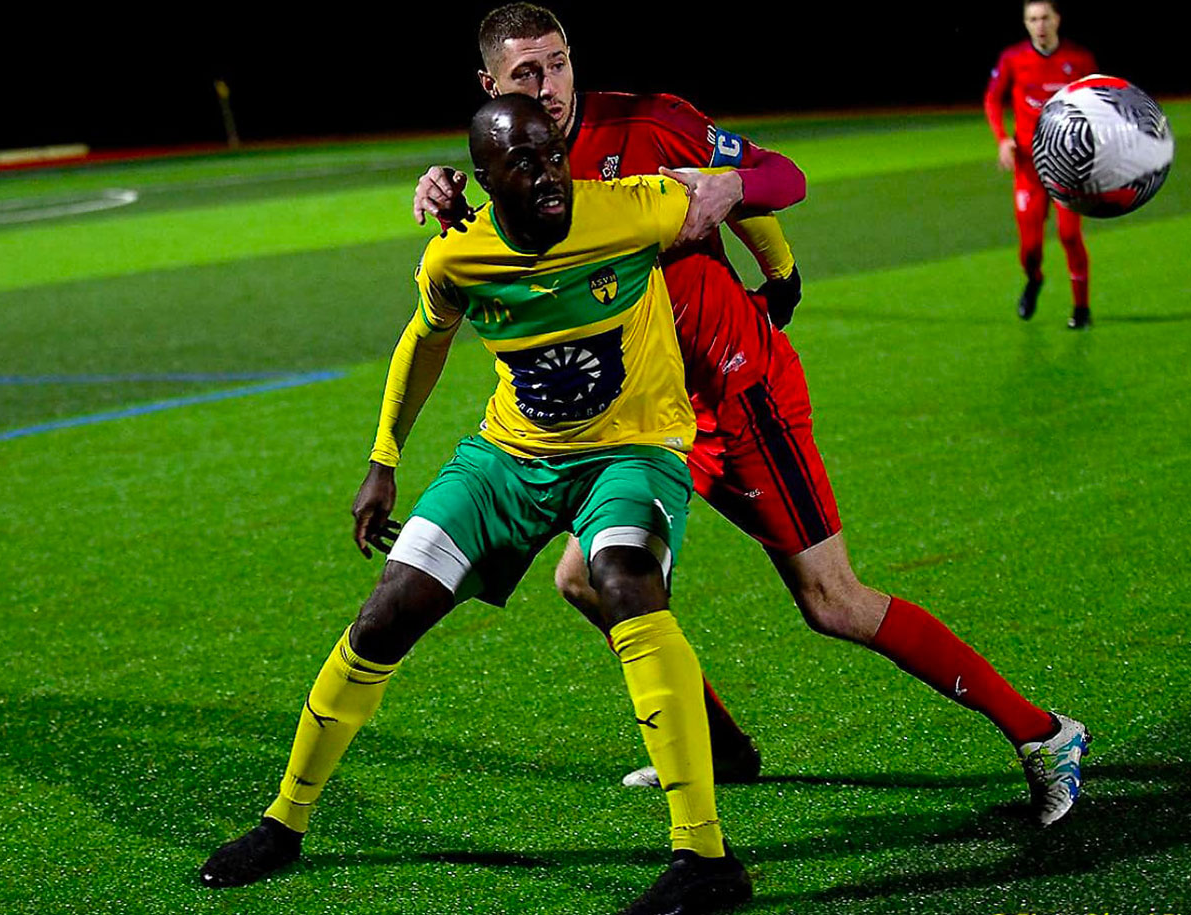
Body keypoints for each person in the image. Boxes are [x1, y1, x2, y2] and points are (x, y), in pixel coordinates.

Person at [415, 2, 1092, 826]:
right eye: (526, 74)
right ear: (490, 86)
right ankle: (723, 750)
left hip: (739, 395)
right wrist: (440, 187)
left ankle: (1043, 732)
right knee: (587, 579)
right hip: (652, 426)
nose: (548, 86)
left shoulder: (651, 123)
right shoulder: (516, 165)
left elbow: (783, 176)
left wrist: (735, 189)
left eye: (557, 63)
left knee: (832, 599)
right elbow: (493, 249)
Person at [200, 94, 754, 915]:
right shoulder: (459, 255)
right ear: (485, 180)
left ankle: (705, 855)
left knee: (625, 579)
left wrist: (777, 271)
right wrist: (383, 460)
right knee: (387, 609)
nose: (549, 175)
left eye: (552, 154)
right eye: (523, 163)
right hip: (510, 456)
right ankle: (284, 822)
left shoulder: (634, 207)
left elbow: (739, 190)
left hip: (631, 449)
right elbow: (422, 340)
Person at [985, 0, 1098, 328]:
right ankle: (1034, 279)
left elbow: (1099, 103)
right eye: (1032, 19)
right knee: (1030, 248)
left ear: (1057, 19)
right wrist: (1002, 138)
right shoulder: (1013, 58)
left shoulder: (1079, 59)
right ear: (1025, 23)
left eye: (1045, 17)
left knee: (1069, 236)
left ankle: (1081, 310)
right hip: (1029, 168)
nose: (1040, 25)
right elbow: (993, 98)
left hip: (1067, 165)